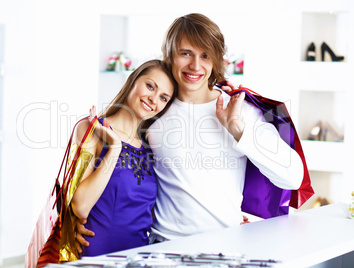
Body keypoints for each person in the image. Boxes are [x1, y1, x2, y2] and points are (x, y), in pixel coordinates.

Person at [75, 13, 304, 249]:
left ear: (217, 61)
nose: (195, 65)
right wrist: (76, 220)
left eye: (205, 56)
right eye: (186, 53)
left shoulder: (239, 111)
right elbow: (126, 177)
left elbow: (293, 177)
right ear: (170, 55)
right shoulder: (155, 108)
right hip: (159, 249)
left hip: (222, 250)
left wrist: (238, 130)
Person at [69, 59, 177, 257]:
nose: (153, 99)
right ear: (133, 80)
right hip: (99, 254)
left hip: (140, 256)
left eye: (163, 97)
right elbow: (80, 206)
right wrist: (114, 148)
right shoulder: (92, 129)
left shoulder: (151, 147)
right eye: (150, 86)